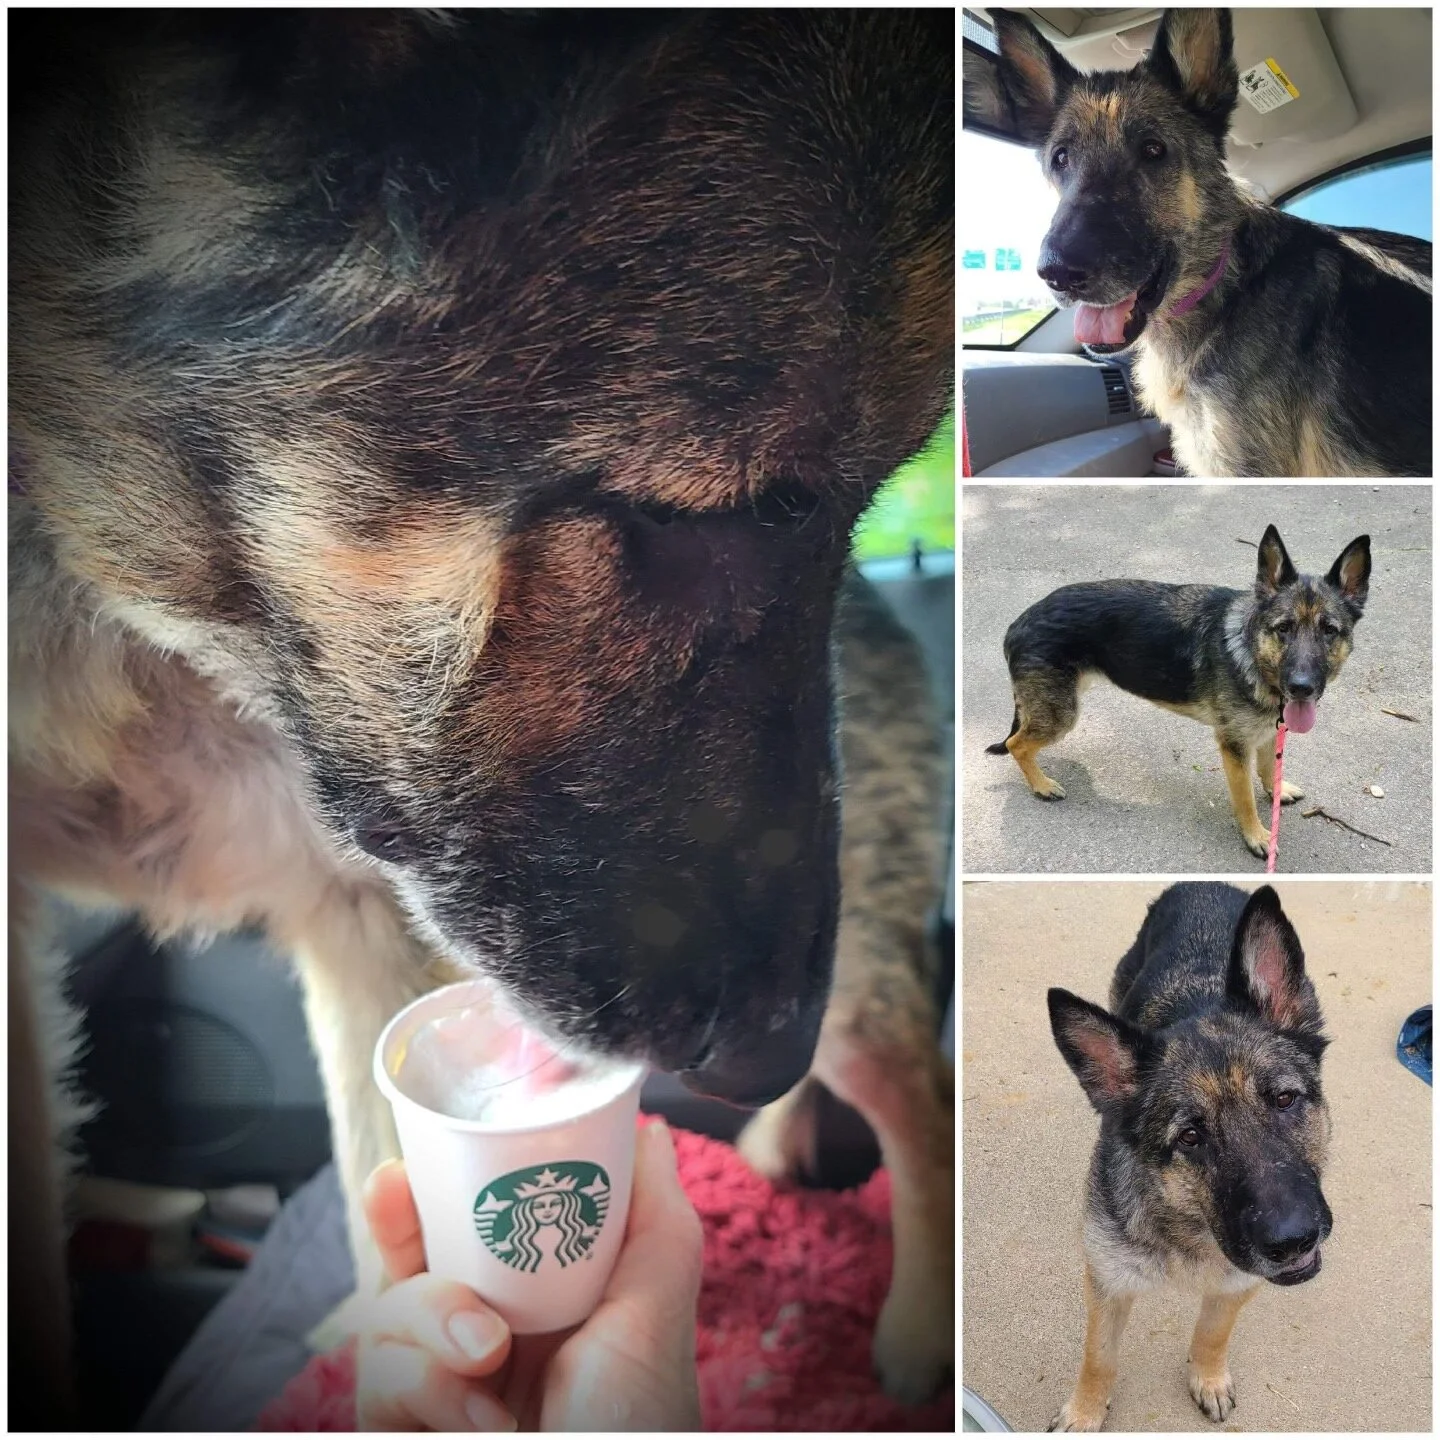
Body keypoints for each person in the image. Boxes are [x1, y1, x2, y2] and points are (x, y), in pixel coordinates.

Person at [354, 1119, 704, 1431]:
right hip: (479, 1364)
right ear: (525, 1211)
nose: (548, 1209)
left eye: (555, 1203)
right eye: (539, 1205)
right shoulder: (522, 1243)